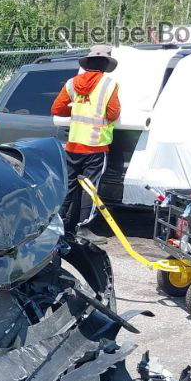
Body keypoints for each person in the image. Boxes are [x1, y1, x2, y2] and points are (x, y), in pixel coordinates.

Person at [51, 44, 121, 243]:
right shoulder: (109, 84)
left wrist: (77, 110)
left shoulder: (72, 83)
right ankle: (84, 227)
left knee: (69, 186)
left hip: (73, 144)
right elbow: (113, 113)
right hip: (96, 146)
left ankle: (60, 225)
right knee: (90, 188)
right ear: (105, 64)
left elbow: (57, 108)